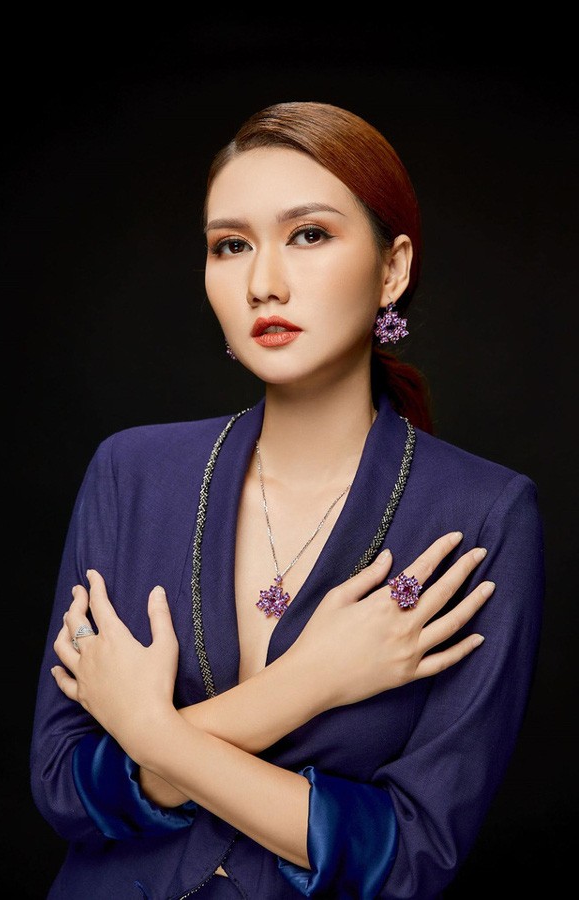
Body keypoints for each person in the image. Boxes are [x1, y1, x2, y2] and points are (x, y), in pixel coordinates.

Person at [30, 101, 544, 899]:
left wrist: (147, 732)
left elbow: (411, 857)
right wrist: (309, 682)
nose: (263, 284)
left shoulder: (484, 514)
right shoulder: (131, 473)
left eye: (308, 235)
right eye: (231, 245)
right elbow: (63, 787)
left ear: (393, 269)